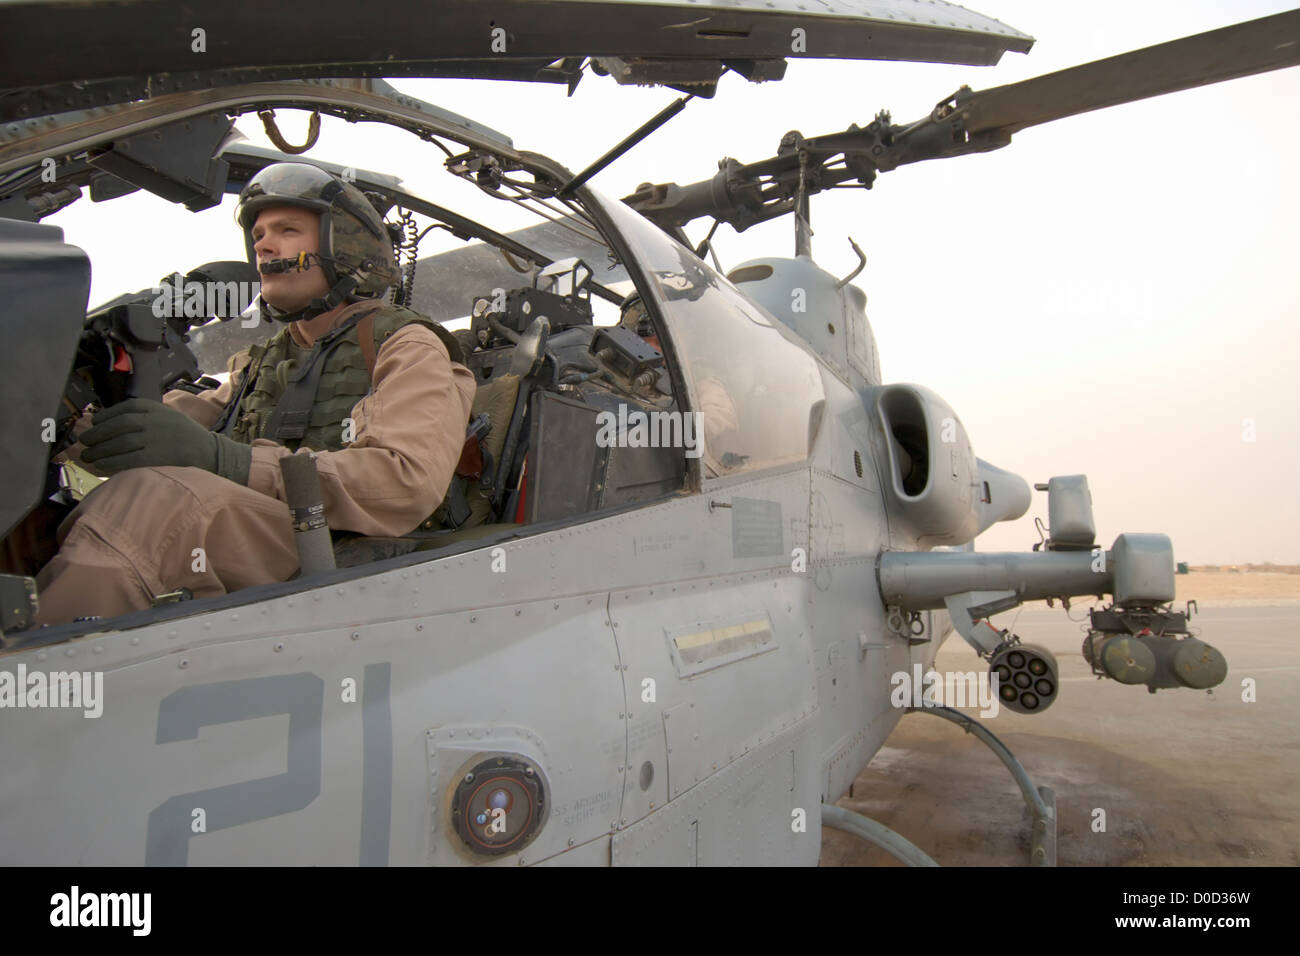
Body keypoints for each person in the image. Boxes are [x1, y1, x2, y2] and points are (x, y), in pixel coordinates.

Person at [33, 162, 476, 626]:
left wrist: (227, 461)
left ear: (345, 248)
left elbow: (402, 481)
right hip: (270, 533)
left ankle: (41, 678)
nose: (263, 245)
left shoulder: (405, 344)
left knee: (156, 501)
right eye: (259, 233)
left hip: (340, 541)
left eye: (288, 229)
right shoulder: (261, 359)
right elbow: (182, 422)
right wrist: (76, 412)